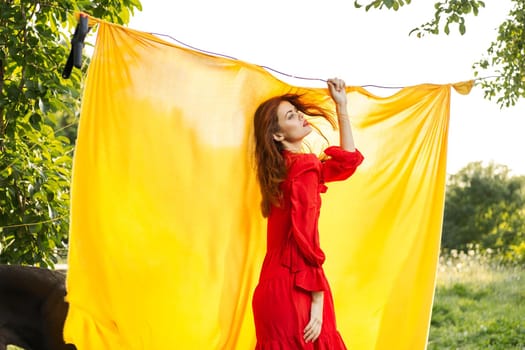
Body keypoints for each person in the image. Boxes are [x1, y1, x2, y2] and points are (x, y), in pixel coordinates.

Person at [251, 78, 364, 349]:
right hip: (297, 286)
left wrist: (341, 106)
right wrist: (317, 296)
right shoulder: (304, 167)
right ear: (278, 135)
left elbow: (346, 164)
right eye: (290, 115)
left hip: (271, 286)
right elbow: (305, 235)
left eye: (296, 111)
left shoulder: (282, 172)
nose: (300, 116)